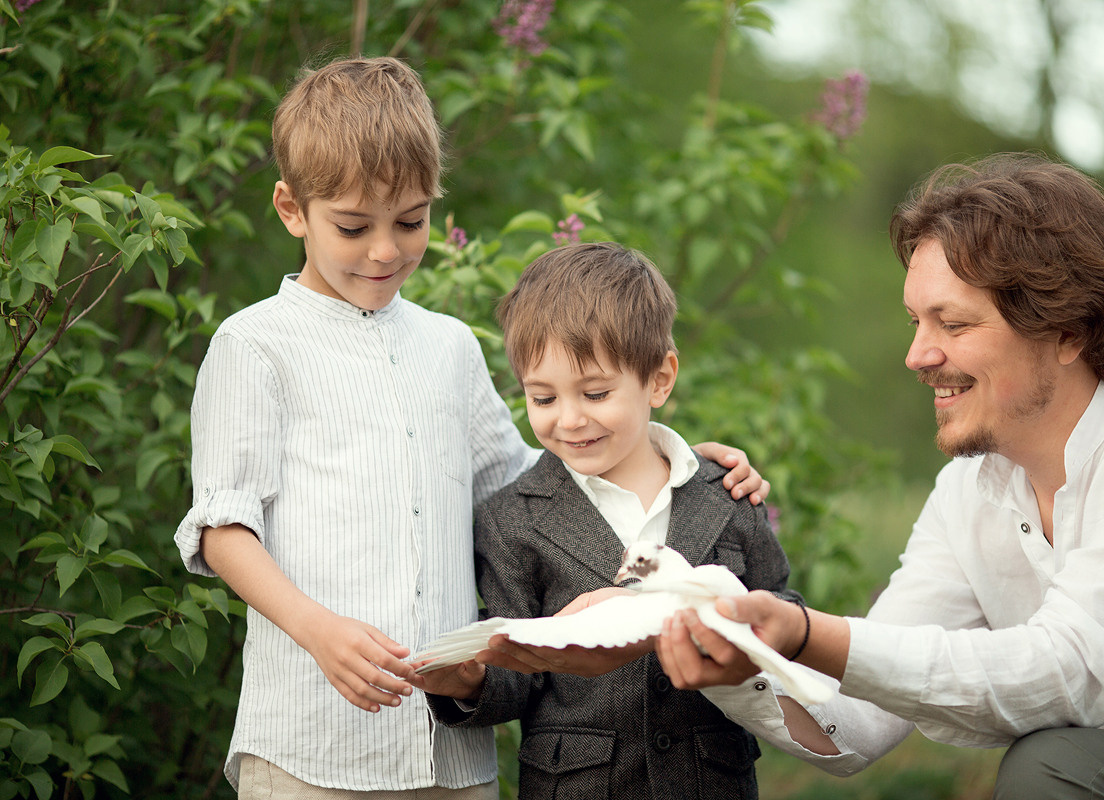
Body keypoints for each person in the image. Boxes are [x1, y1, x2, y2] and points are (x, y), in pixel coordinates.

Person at [173, 58, 766, 797]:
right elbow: (224, 527)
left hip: (454, 749)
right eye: (354, 226)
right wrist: (319, 630)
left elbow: (540, 483)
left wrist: (675, 464)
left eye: (412, 221)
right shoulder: (254, 345)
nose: (386, 249)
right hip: (311, 738)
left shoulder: (449, 345)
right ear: (292, 209)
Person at [654, 152, 1104, 799]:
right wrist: (740, 654)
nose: (918, 355)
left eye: (955, 323)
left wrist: (806, 632)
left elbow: (1070, 671)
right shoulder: (969, 492)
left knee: (1051, 763)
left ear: (1068, 329)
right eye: (917, 322)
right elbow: (853, 724)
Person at [412, 242, 804, 799]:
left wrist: (738, 628)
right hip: (577, 784)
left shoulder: (725, 494)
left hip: (709, 779)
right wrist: (469, 682)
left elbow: (783, 607)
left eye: (595, 393)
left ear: (659, 379)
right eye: (543, 398)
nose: (569, 420)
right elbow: (519, 664)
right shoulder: (513, 520)